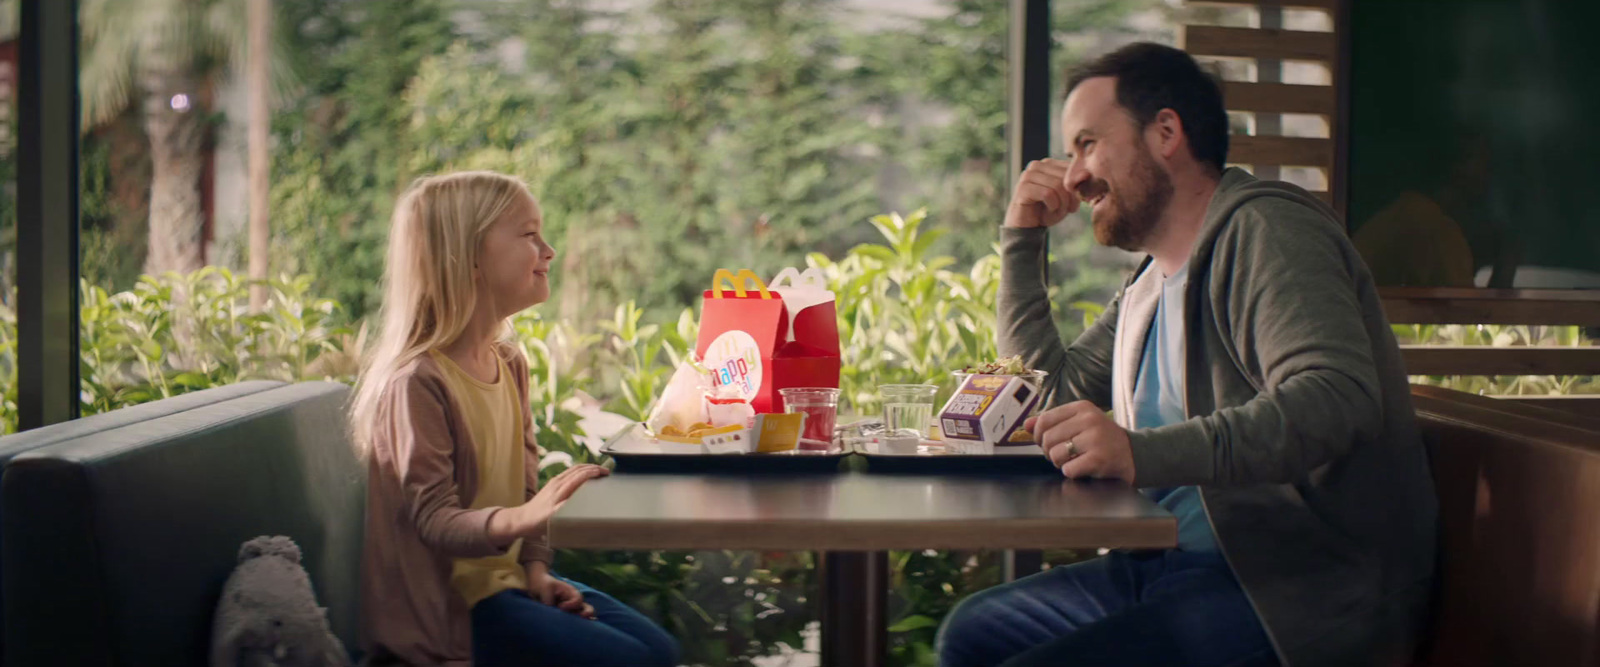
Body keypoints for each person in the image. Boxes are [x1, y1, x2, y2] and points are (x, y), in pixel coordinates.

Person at [936, 43, 1437, 667]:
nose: (1071, 175)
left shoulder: (1269, 232)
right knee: (973, 634)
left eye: (1088, 144)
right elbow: (1047, 396)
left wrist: (1139, 452)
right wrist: (1022, 237)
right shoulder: (1152, 283)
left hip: (1291, 588)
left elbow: (1337, 399)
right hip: (1169, 564)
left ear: (1166, 132)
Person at [349, 171, 679, 667]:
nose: (548, 251)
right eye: (529, 235)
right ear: (468, 258)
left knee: (660, 649)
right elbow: (435, 521)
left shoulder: (508, 362)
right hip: (450, 620)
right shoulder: (416, 382)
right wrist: (530, 516)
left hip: (505, 589)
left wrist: (536, 569)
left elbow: (525, 487)